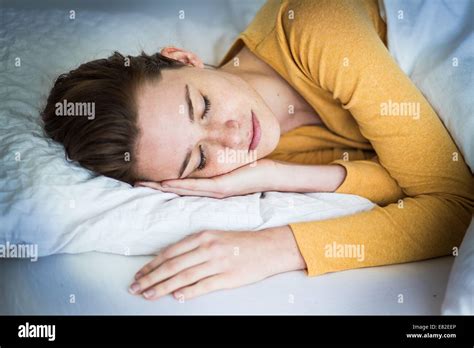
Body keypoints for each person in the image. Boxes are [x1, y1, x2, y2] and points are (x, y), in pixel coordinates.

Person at [41, 0, 474, 301]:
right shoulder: (258, 155)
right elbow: (409, 186)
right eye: (199, 159)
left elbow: (453, 204)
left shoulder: (312, 24)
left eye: (203, 106)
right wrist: (278, 175)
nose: (230, 138)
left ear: (183, 58)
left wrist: (275, 248)